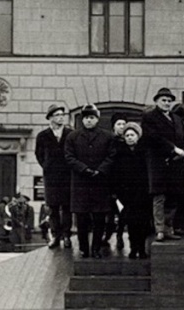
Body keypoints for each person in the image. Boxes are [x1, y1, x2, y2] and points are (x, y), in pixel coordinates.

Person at [65, 104, 117, 258]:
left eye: (92, 118)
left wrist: (100, 170)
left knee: (99, 217)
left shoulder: (108, 137)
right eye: (86, 118)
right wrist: (84, 169)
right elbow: (69, 157)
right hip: (80, 183)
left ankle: (96, 248)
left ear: (97, 119)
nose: (89, 121)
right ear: (82, 119)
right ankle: (83, 248)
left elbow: (112, 156)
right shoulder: (73, 137)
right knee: (82, 218)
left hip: (100, 183)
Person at [142, 87, 184, 242]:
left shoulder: (176, 119)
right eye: (164, 100)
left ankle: (169, 228)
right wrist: (174, 149)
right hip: (158, 163)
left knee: (173, 197)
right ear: (156, 101)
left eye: (169, 101)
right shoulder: (149, 117)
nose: (167, 103)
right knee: (159, 197)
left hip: (175, 164)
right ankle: (159, 229)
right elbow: (154, 138)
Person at [34, 103, 73, 251]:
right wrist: (46, 166)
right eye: (57, 115)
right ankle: (56, 236)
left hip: (67, 176)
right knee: (53, 208)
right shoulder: (43, 136)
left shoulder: (70, 134)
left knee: (67, 207)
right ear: (50, 118)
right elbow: (38, 154)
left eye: (62, 115)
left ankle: (67, 235)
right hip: (51, 177)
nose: (60, 118)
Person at [111, 122, 152, 258]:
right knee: (132, 223)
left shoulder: (144, 152)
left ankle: (142, 248)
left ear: (138, 136)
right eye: (127, 135)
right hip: (127, 194)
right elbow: (116, 174)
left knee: (144, 222)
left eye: (132, 135)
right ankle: (134, 248)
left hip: (143, 193)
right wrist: (118, 193)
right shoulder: (120, 153)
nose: (129, 137)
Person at [103, 114, 130, 250]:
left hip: (125, 183)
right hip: (110, 182)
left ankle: (120, 235)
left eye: (124, 124)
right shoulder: (109, 141)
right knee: (109, 212)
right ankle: (107, 235)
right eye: (119, 124)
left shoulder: (128, 141)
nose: (122, 127)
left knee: (124, 212)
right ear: (113, 126)